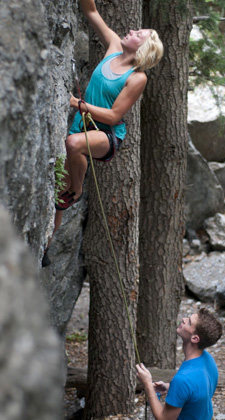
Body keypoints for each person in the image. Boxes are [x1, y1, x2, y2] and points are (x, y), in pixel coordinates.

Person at [42, 0, 163, 266]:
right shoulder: (113, 47)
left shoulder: (136, 77)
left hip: (108, 135)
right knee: (58, 203)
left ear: (143, 48)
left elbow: (113, 116)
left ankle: (77, 187)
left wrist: (76, 103)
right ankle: (43, 250)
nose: (131, 31)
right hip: (84, 125)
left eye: (138, 34)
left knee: (73, 144)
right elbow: (91, 11)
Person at [136, 308, 223, 420]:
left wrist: (147, 384)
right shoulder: (208, 359)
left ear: (195, 338)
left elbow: (164, 418)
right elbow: (198, 391)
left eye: (189, 322)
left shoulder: (182, 379)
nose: (183, 319)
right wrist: (169, 387)